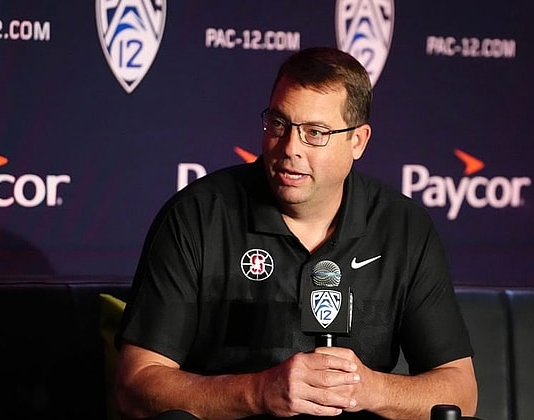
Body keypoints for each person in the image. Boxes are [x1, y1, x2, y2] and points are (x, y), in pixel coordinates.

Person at [115, 47, 477, 419]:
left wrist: (367, 388)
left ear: (358, 141)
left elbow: (460, 393)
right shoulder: (197, 215)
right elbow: (136, 384)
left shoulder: (403, 227)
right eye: (278, 124)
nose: (290, 148)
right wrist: (257, 391)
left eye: (315, 133)